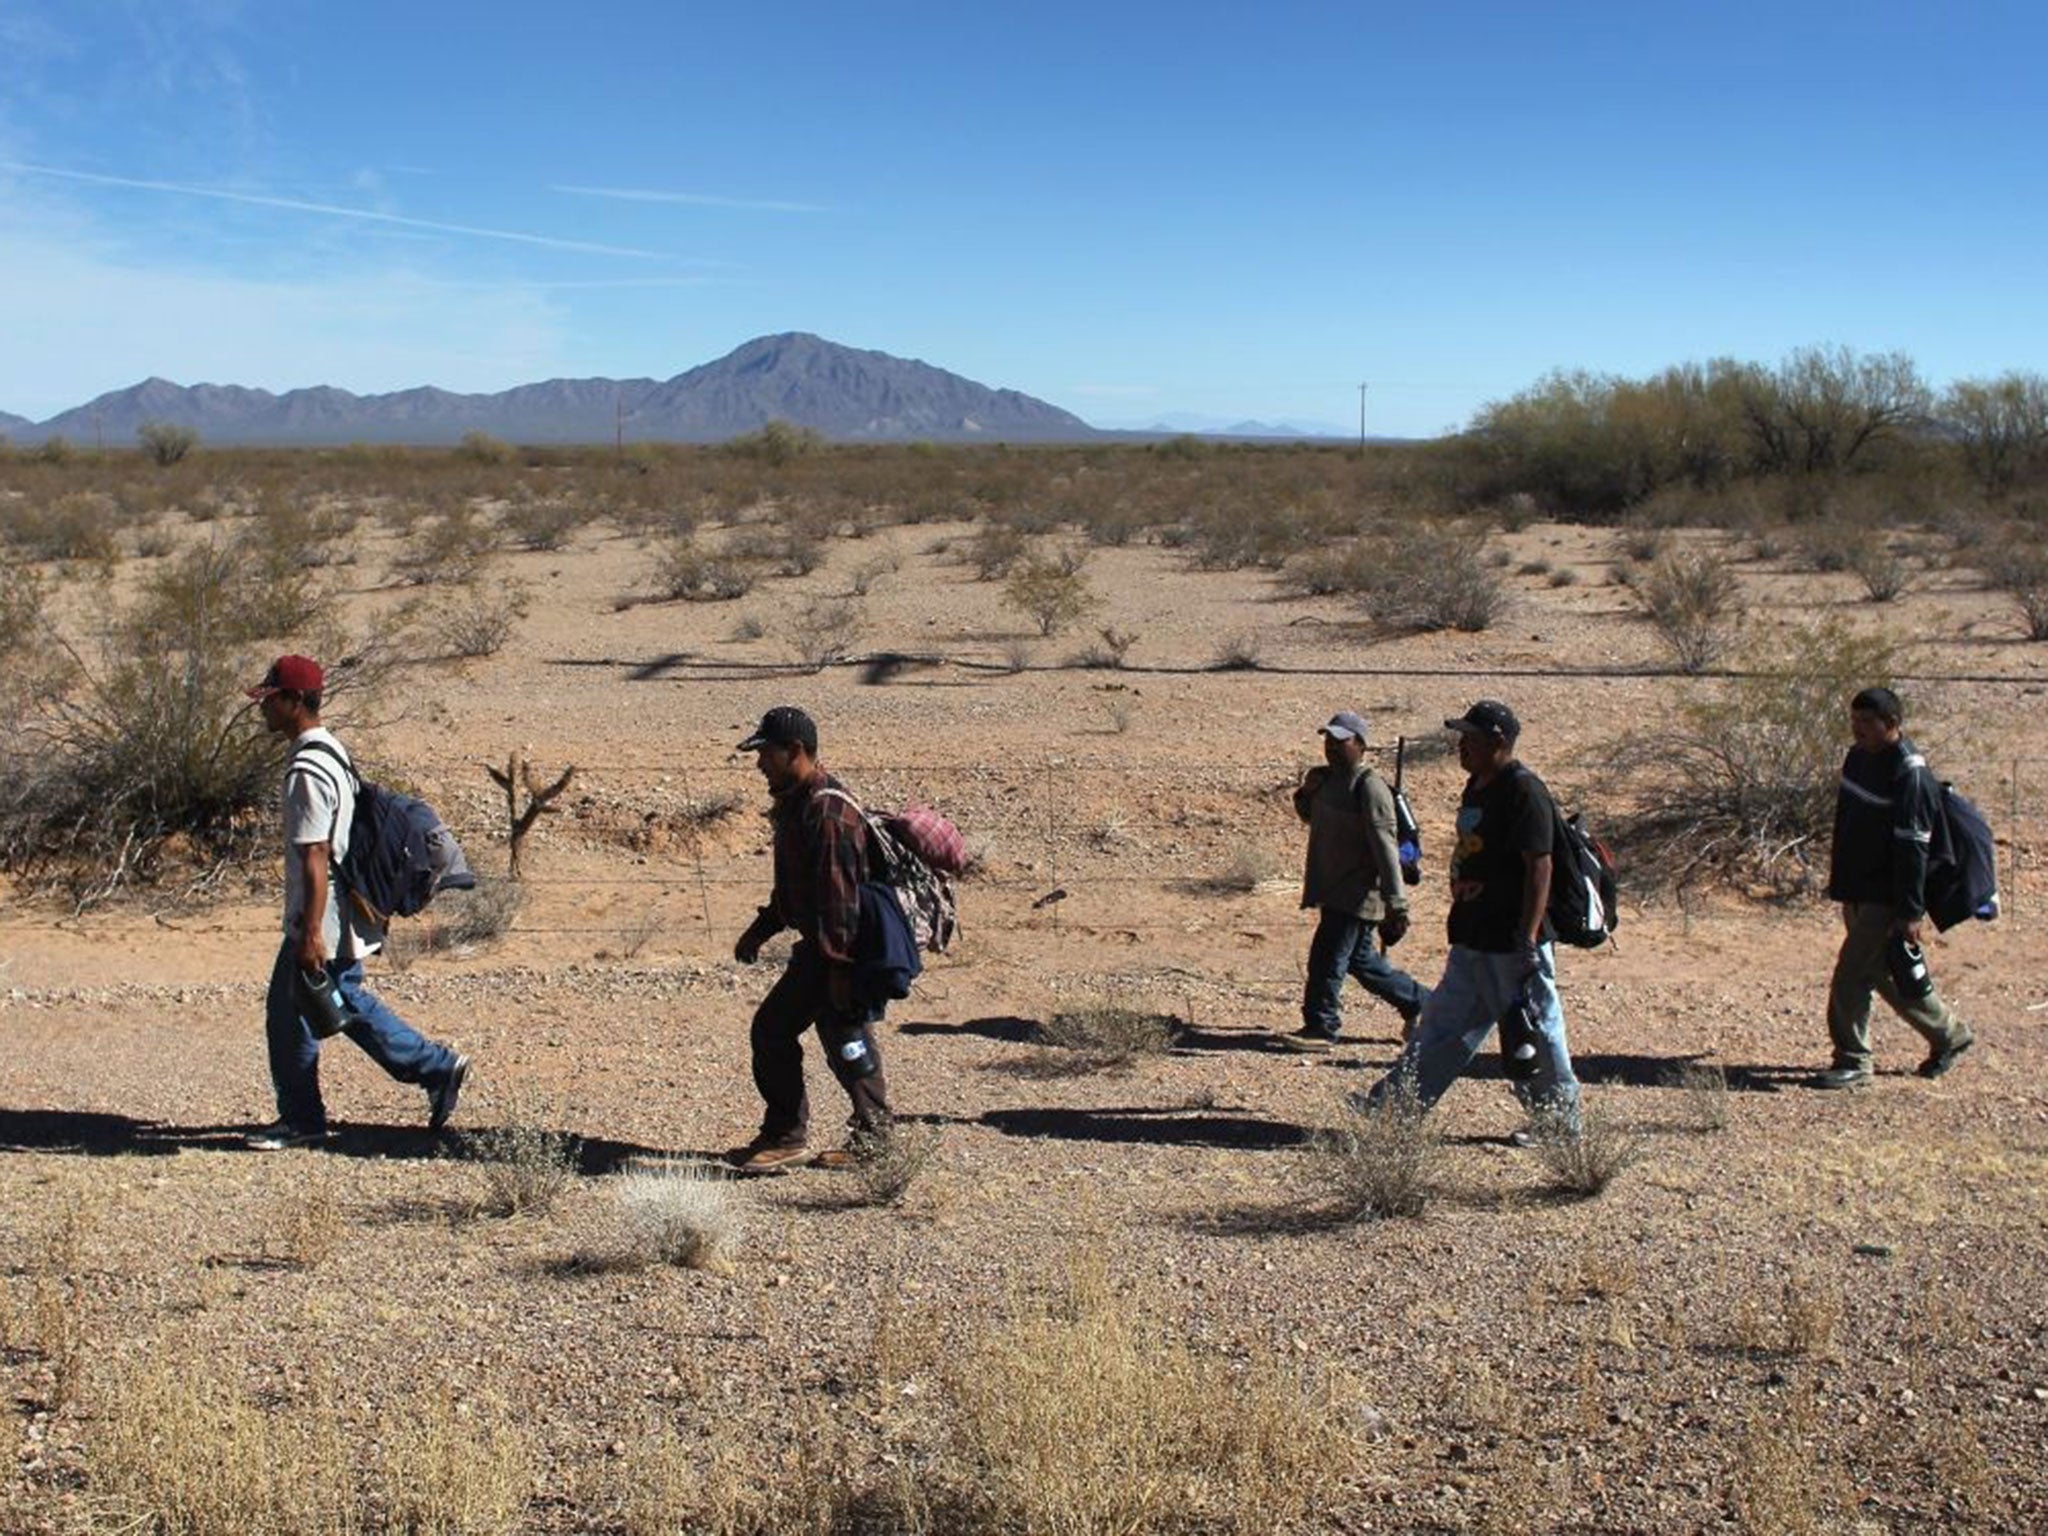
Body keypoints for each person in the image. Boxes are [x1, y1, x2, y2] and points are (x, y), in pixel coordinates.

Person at [245, 655, 469, 1150]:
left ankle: (304, 1119)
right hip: (344, 908)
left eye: (271, 698)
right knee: (336, 1001)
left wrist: (309, 932)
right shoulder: (331, 750)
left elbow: (316, 854)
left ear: (296, 702)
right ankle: (434, 1067)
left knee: (293, 1012)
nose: (264, 708)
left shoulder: (307, 768)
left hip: (325, 914)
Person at [1355, 700, 1579, 1139]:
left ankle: (1559, 1123)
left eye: (1470, 738)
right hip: (1474, 934)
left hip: (1513, 939)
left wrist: (1528, 937)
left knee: (1536, 1027)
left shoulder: (1524, 790)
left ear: (1497, 741)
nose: (1461, 745)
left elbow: (1540, 866)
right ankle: (1395, 1108)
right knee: (1443, 1024)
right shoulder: (1477, 785)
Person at [728, 706, 894, 1172]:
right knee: (845, 1037)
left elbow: (838, 900)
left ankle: (786, 1136)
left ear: (795, 752)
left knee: (775, 1030)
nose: (760, 764)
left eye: (767, 754)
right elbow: (796, 889)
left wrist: (839, 967)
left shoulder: (826, 812)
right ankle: (874, 1137)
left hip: (837, 949)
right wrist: (760, 931)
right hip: (828, 948)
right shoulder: (800, 803)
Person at [1813, 687, 1974, 1089]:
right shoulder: (1858, 759)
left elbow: (1914, 850)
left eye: (1868, 722)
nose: (1859, 729)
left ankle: (1853, 1061)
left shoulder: (1911, 775)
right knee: (1885, 974)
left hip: (1887, 897)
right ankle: (1949, 1035)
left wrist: (1909, 911)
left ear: (1893, 724)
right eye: (1855, 721)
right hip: (1856, 889)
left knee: (1851, 977)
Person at [1282, 710, 1428, 1051]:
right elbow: (1308, 817)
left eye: (1340, 741)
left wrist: (1397, 903)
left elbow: (1386, 848)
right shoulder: (1326, 779)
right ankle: (1424, 1003)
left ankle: (1321, 1026)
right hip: (1333, 888)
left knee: (1327, 958)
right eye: (1328, 741)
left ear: (1361, 745)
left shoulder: (1370, 787)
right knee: (1363, 964)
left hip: (1358, 892)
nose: (1331, 748)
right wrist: (1305, 792)